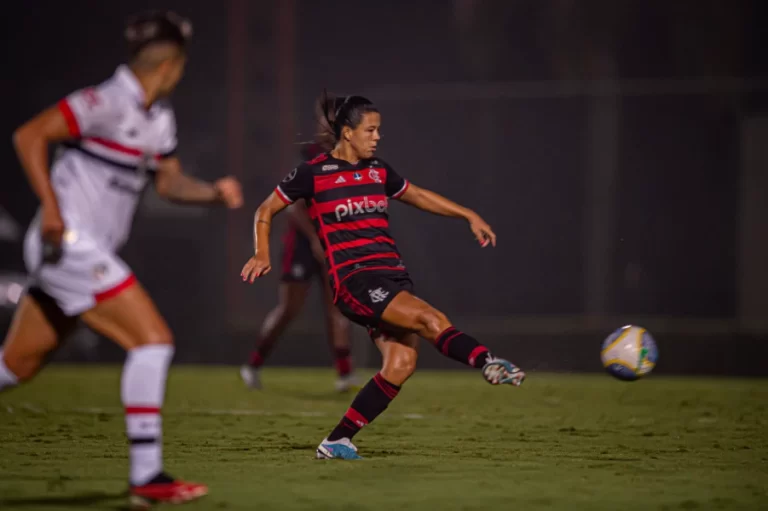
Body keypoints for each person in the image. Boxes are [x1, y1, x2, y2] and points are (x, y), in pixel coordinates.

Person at [0, 10, 242, 505]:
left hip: (82, 250)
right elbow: (29, 136)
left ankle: (147, 478)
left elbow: (170, 183)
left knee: (16, 366)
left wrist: (213, 194)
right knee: (153, 341)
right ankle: (147, 477)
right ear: (171, 64)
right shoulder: (106, 101)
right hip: (68, 244)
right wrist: (50, 209)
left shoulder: (159, 117)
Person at [241, 94, 525, 460]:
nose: (377, 137)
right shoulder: (313, 173)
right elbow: (265, 209)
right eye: (370, 130)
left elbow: (418, 195)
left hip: (391, 277)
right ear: (347, 132)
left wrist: (467, 214)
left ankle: (337, 441)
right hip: (355, 280)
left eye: (379, 130)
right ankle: (487, 361)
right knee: (430, 318)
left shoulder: (378, 170)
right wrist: (261, 251)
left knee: (401, 364)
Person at [240, 95, 358, 392]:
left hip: (332, 243)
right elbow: (295, 208)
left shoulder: (353, 158)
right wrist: (316, 240)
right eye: (322, 117)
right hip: (303, 243)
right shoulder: (308, 157)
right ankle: (252, 365)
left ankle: (345, 374)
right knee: (289, 309)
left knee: (337, 309)